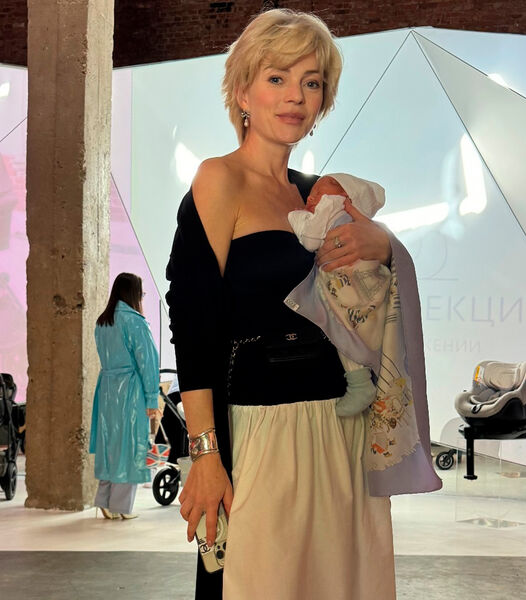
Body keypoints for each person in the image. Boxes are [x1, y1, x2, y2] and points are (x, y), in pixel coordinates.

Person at [165, 9, 441, 599]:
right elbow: (192, 323)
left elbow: (370, 303)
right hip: (262, 434)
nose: (296, 96)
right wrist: (204, 455)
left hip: (343, 431)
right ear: (243, 92)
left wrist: (384, 246)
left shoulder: (322, 194)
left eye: (311, 82)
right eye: (277, 78)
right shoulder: (219, 180)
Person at [288, 173, 390, 417]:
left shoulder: (332, 206)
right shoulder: (346, 214)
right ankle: (366, 379)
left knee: (342, 327)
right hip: (360, 283)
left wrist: (296, 217)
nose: (311, 197)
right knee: (355, 329)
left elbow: (311, 240)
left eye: (319, 192)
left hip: (349, 279)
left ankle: (360, 381)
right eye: (312, 193)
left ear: (345, 196)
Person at [89, 272, 160, 520]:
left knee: (109, 445)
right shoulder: (135, 322)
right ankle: (120, 506)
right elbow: (148, 362)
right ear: (134, 293)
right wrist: (152, 398)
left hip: (106, 389)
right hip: (130, 390)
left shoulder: (103, 322)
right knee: (129, 447)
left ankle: (104, 500)